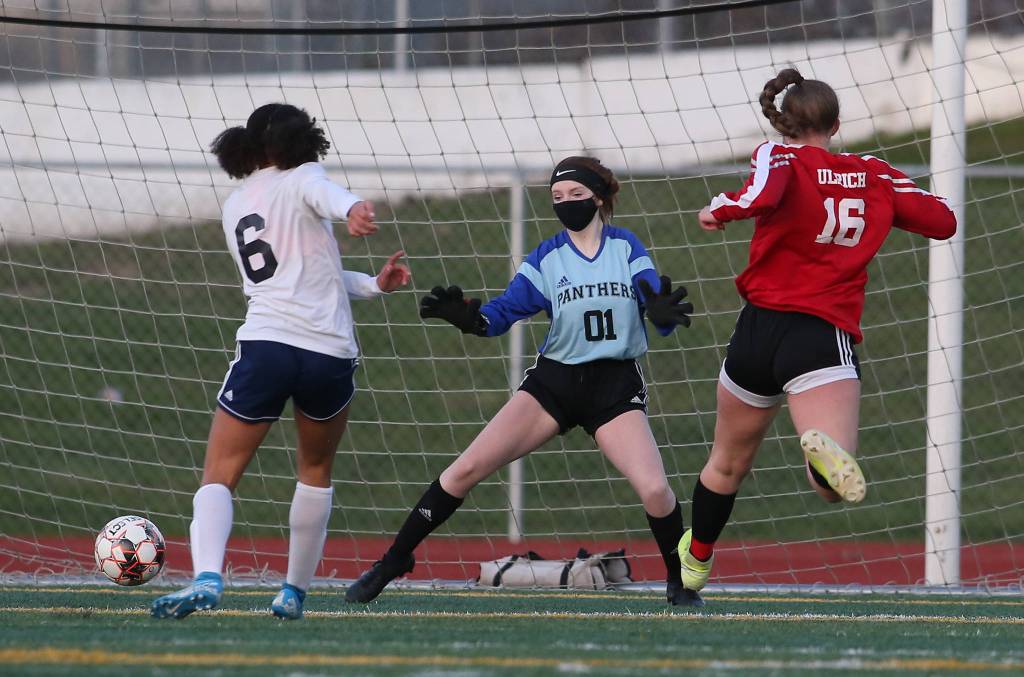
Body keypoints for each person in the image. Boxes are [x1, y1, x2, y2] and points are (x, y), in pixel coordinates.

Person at [346, 156, 701, 607]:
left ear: (599, 196)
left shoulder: (625, 246)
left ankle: (679, 579)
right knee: (465, 469)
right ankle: (394, 559)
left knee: (654, 488)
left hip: (613, 387)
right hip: (555, 383)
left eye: (576, 195)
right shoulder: (547, 257)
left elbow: (653, 296)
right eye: (557, 198)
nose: (567, 203)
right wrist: (470, 318)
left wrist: (660, 311)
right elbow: (501, 314)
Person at [677, 68, 957, 595]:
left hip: (757, 331)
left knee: (726, 462)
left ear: (784, 122)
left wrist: (716, 210)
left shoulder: (776, 155)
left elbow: (759, 196)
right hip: (822, 335)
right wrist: (883, 199)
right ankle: (821, 459)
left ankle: (695, 560)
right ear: (837, 123)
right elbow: (943, 221)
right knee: (830, 484)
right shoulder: (872, 172)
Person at [151, 103, 411, 620]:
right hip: (328, 354)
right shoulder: (304, 178)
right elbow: (326, 195)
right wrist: (354, 206)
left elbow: (308, 272)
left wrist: (371, 284)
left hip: (268, 347)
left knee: (219, 475)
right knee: (315, 470)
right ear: (301, 139)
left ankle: (207, 576)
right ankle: (292, 592)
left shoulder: (237, 203)